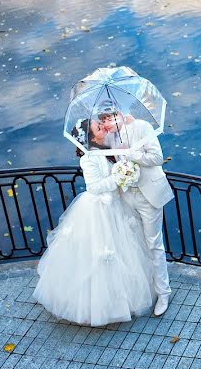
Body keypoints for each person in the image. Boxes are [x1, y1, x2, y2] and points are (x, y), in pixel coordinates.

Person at [33, 112, 155, 326]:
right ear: (91, 139)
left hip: (117, 205)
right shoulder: (88, 159)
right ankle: (100, 307)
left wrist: (129, 124)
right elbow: (95, 187)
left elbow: (125, 145)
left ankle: (122, 300)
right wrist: (118, 176)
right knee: (101, 258)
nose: (104, 128)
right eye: (99, 128)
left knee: (124, 253)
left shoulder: (107, 146)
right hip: (98, 210)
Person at [83, 109, 174, 317]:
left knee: (153, 244)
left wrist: (131, 152)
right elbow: (94, 156)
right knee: (135, 243)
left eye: (110, 117)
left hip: (148, 195)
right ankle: (146, 288)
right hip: (124, 197)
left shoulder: (141, 127)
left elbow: (158, 158)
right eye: (103, 120)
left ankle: (163, 293)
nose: (106, 123)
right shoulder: (108, 138)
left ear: (122, 114)